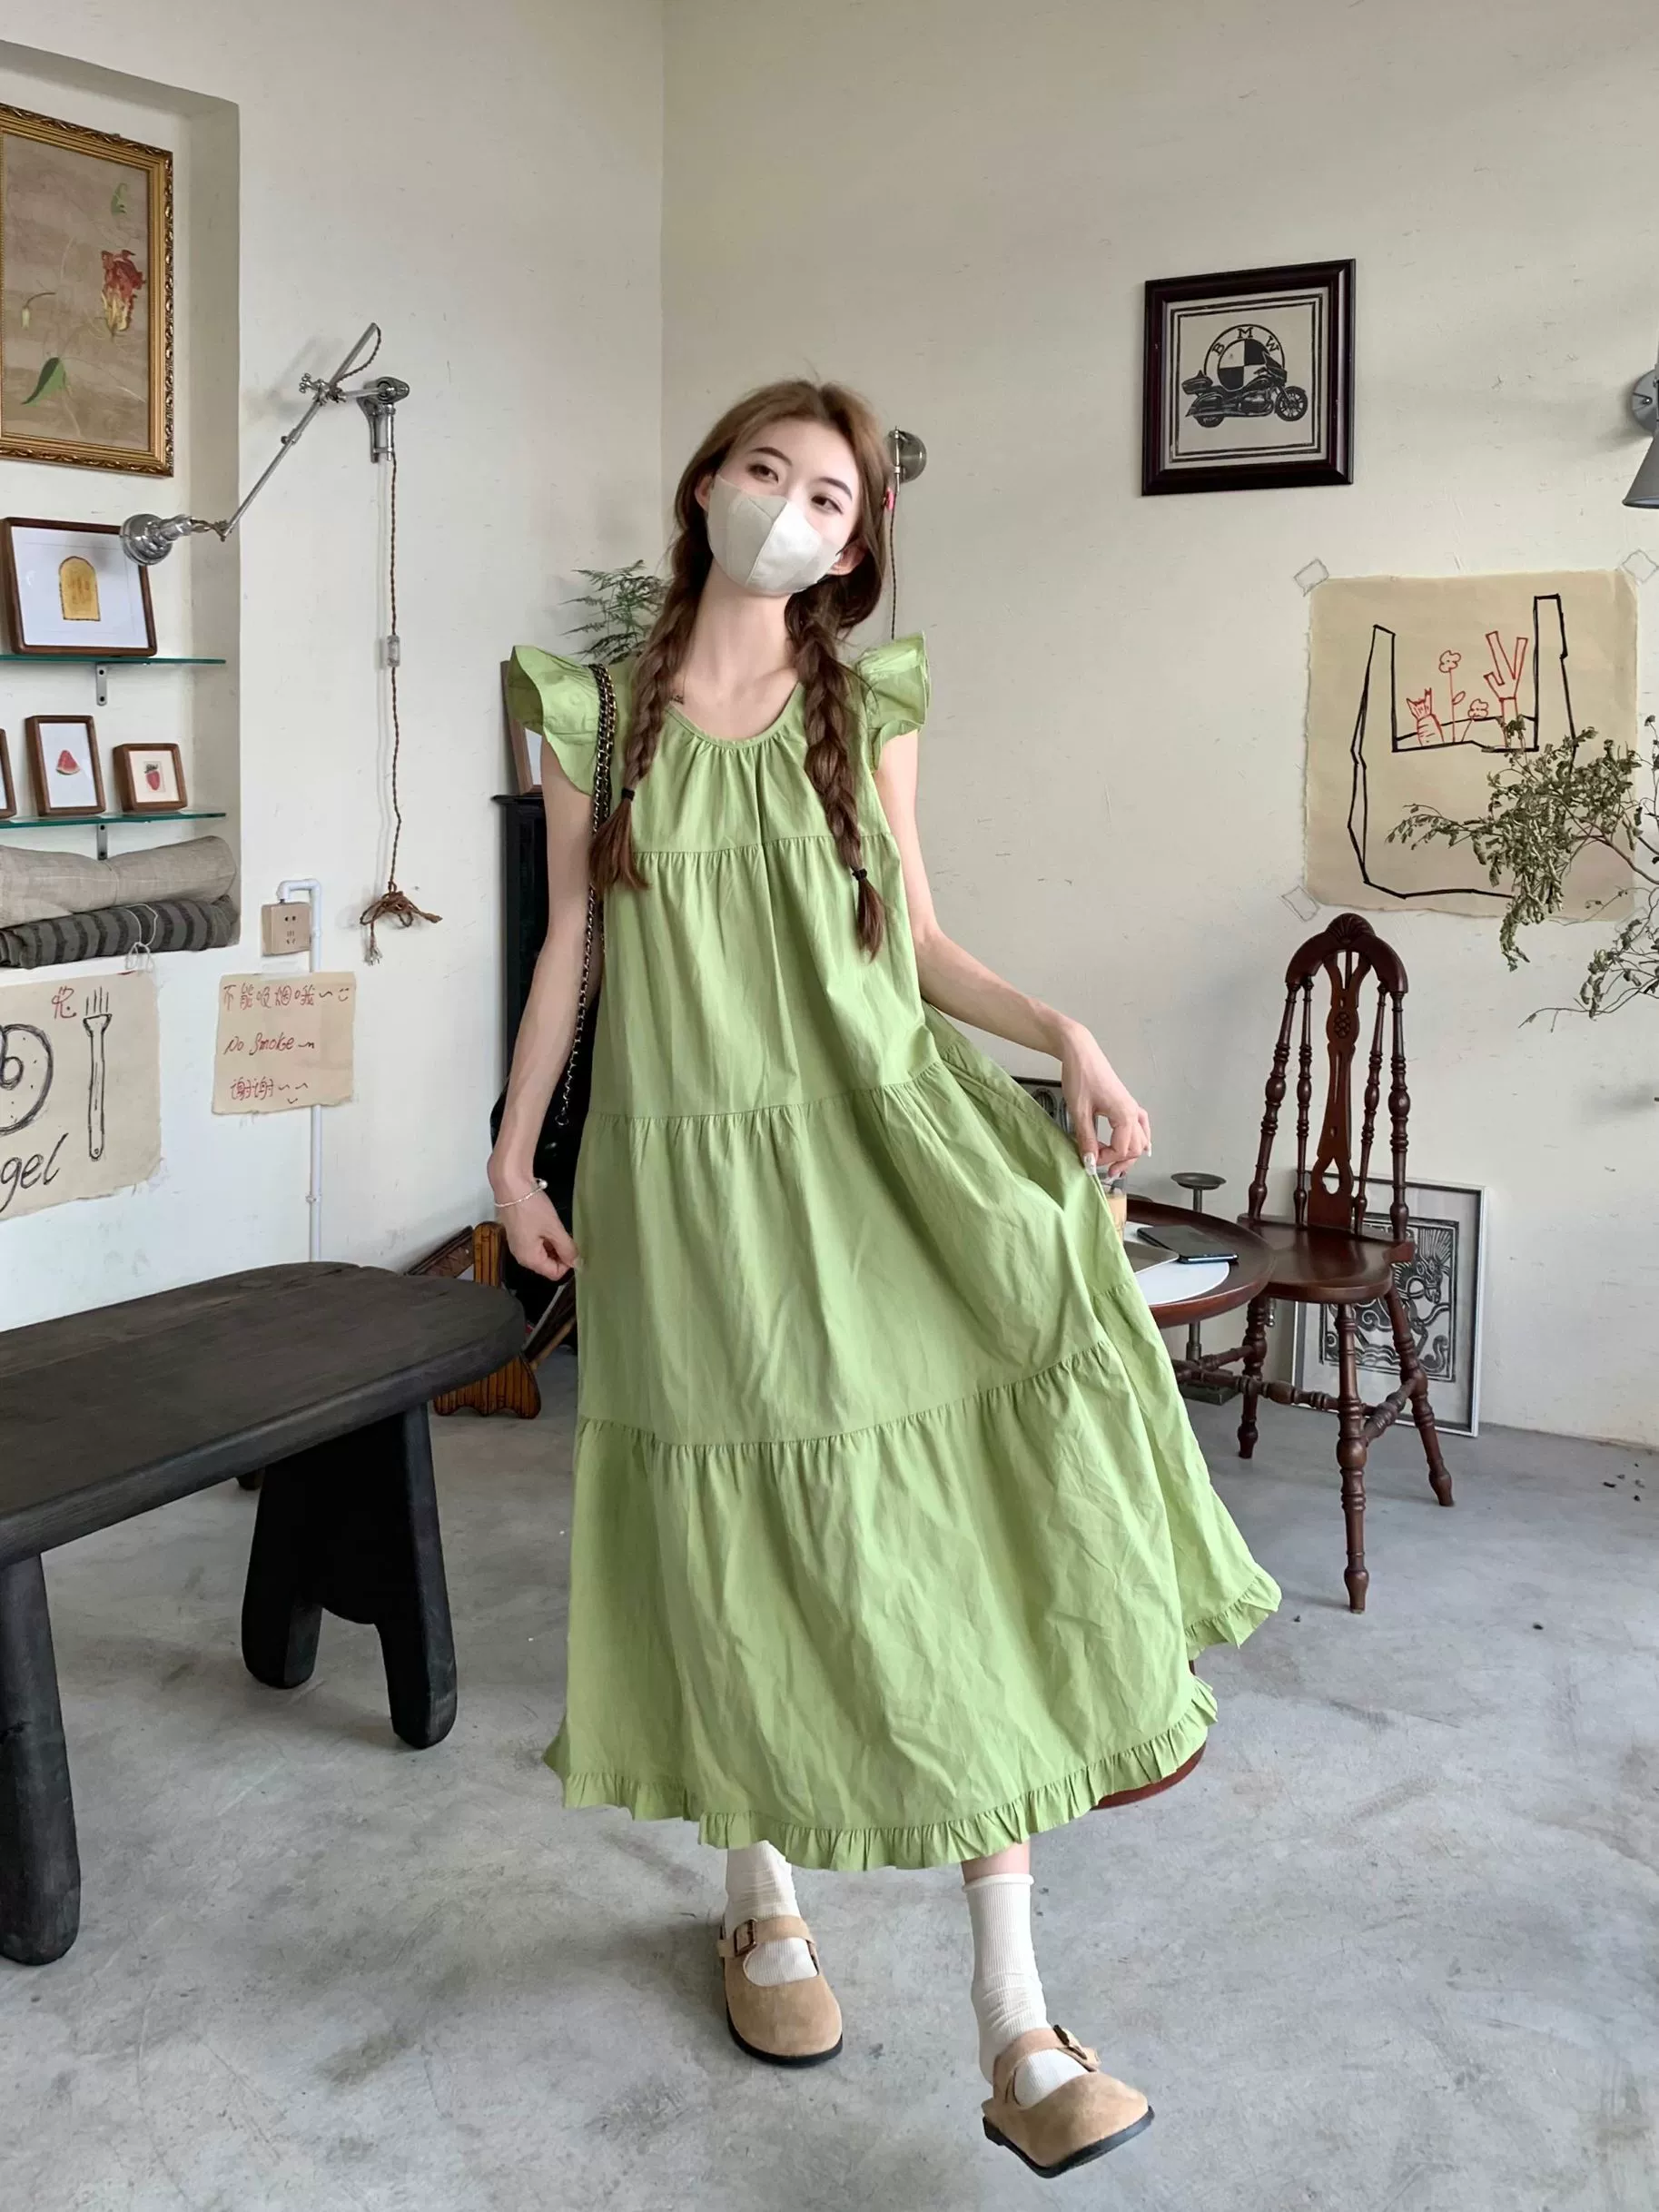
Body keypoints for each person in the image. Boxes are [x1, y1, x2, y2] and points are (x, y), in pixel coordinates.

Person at [490, 377, 1280, 2180]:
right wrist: (514, 1156)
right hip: (684, 1182)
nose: (791, 507)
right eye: (766, 471)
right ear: (704, 483)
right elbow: (572, 945)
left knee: (944, 1538)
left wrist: (1061, 1029)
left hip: (871, 1153)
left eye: (830, 497)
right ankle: (757, 1894)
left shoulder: (866, 705)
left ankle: (1017, 2021)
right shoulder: (592, 716)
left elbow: (915, 942)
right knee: (725, 1522)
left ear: (856, 547)